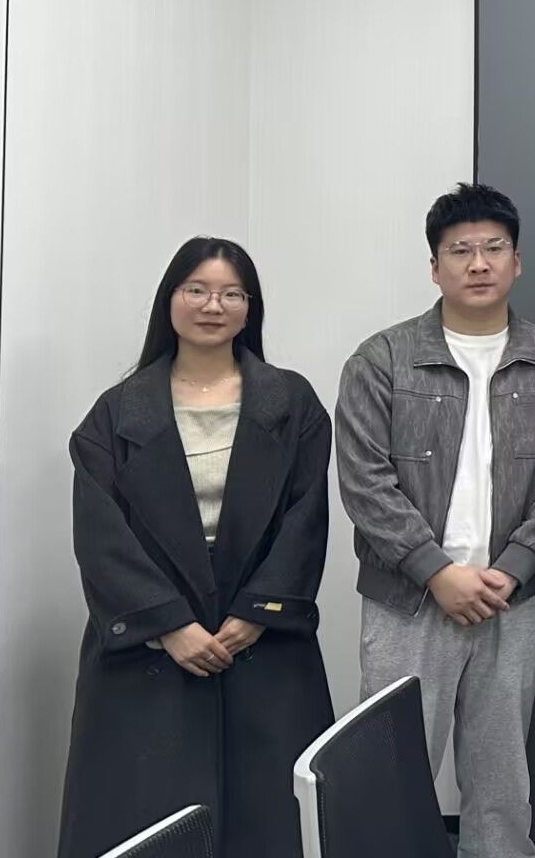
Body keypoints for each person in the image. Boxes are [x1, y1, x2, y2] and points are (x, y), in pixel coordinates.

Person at [60, 238, 333, 858]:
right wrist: (169, 624)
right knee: (145, 812)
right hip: (149, 644)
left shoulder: (291, 403)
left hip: (260, 636)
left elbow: (306, 518)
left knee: (271, 815)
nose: (214, 306)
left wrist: (259, 612)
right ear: (171, 299)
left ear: (250, 308)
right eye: (198, 290)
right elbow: (100, 534)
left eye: (232, 293)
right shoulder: (117, 411)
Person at [335, 183, 535, 858]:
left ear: (517, 261)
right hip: (407, 601)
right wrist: (436, 572)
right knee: (393, 777)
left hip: (512, 600)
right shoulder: (381, 359)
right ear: (435, 267)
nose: (478, 263)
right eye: (460, 251)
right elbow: (364, 481)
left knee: (503, 783)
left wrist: (514, 568)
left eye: (493, 248)